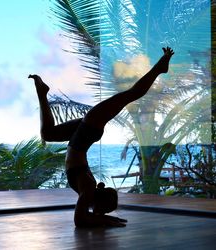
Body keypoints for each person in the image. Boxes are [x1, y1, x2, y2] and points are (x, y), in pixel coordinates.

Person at [29, 47, 174, 227]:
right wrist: (108, 220)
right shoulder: (88, 189)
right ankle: (159, 68)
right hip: (87, 132)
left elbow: (80, 220)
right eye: (102, 210)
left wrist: (106, 219)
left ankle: (43, 93)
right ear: (98, 201)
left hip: (84, 135)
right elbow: (81, 220)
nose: (99, 212)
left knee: (48, 134)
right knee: (130, 95)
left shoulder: (88, 189)